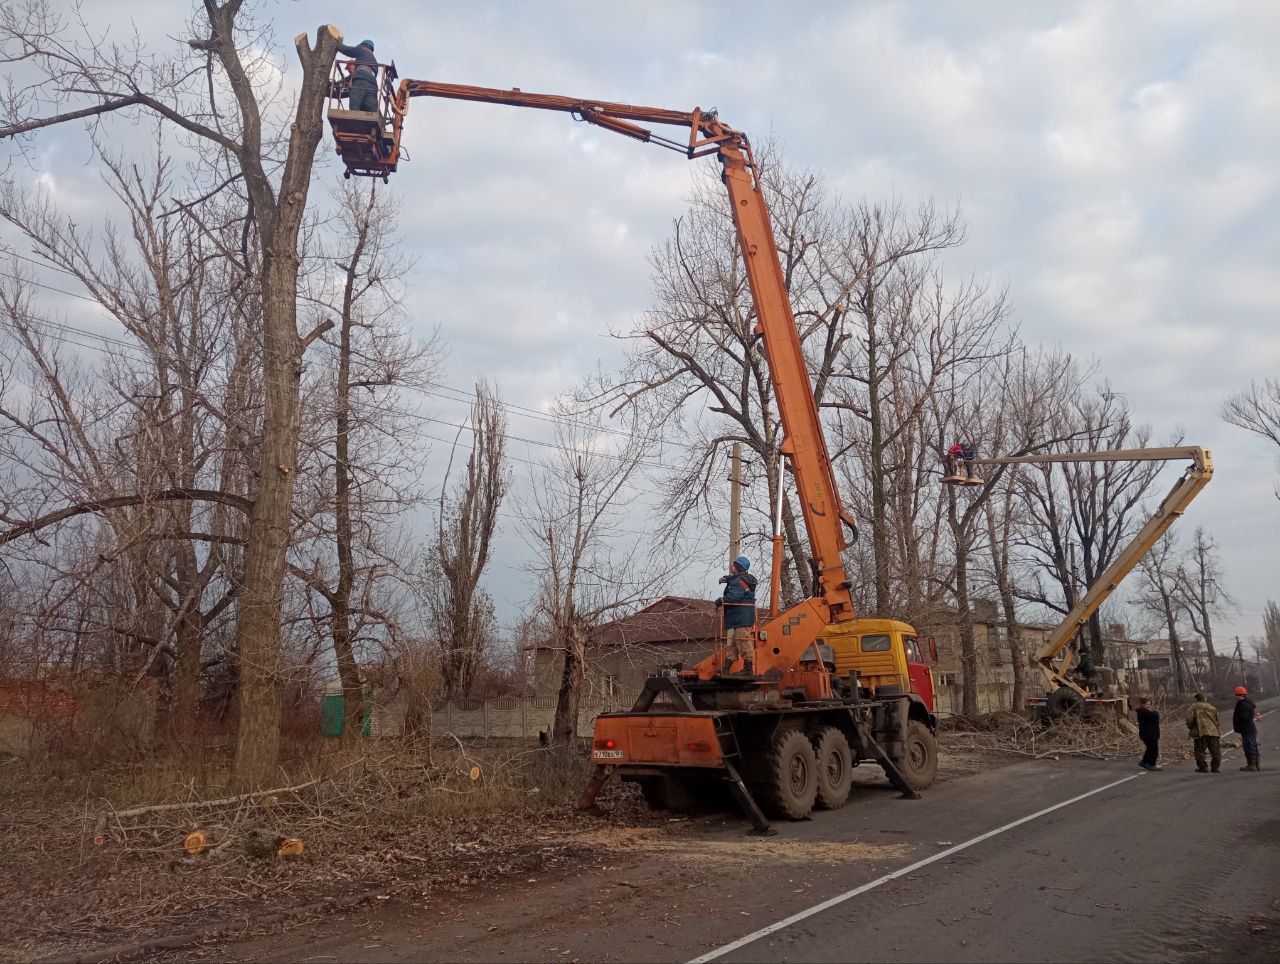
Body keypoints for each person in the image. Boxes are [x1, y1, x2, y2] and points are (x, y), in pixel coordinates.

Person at [716, 556, 757, 674]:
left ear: (739, 567)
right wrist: (726, 578)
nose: (731, 566)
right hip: (740, 617)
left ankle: (748, 669)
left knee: (742, 641)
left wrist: (720, 600)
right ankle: (725, 668)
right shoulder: (740, 579)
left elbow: (734, 596)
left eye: (734, 565)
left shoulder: (740, 582)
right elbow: (734, 579)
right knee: (735, 643)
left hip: (742, 617)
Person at [336, 38, 379, 112]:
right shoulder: (374, 61)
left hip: (361, 80)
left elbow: (348, 50)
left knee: (354, 106)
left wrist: (337, 45)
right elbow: (348, 91)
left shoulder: (362, 50)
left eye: (349, 67)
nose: (349, 70)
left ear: (363, 45)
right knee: (370, 108)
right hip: (373, 84)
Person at [1186, 693, 1222, 773]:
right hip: (1213, 732)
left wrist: (1190, 727)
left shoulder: (1193, 707)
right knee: (1216, 751)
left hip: (1200, 732)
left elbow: (1189, 719)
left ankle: (1203, 767)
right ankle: (1215, 767)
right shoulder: (1212, 707)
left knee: (1200, 750)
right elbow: (1218, 720)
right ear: (1205, 699)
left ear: (1196, 699)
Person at [1232, 686, 1261, 772]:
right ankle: (1255, 764)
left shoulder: (1244, 705)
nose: (1235, 698)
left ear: (1239, 695)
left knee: (1249, 746)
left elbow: (1244, 717)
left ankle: (1252, 765)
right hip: (1247, 728)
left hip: (1247, 729)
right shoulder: (1246, 703)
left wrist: (1239, 721)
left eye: (1236, 695)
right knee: (1250, 745)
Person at [1134, 696, 1161, 771]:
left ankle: (1144, 762)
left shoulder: (1144, 712)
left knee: (1150, 749)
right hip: (1149, 734)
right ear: (1143, 704)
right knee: (1154, 750)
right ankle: (1152, 765)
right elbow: (1155, 716)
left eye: (1149, 704)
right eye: (1147, 704)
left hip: (1148, 734)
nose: (1149, 705)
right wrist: (1155, 712)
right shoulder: (1143, 712)